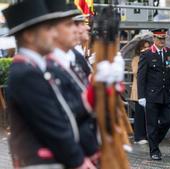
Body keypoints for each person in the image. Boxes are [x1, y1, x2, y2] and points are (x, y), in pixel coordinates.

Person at [4, 0, 96, 168]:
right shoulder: (26, 74)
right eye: (47, 29)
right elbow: (53, 125)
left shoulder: (33, 68)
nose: (53, 35)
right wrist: (78, 160)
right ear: (29, 35)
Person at [137, 28, 170, 160]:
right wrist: (141, 96)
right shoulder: (147, 54)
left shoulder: (169, 53)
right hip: (152, 95)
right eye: (159, 38)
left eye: (163, 38)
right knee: (152, 125)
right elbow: (141, 77)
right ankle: (154, 151)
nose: (162, 41)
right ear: (154, 38)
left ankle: (153, 142)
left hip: (167, 94)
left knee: (168, 120)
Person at [130, 39, 150, 144]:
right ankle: (138, 136)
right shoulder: (136, 59)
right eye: (144, 47)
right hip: (138, 90)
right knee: (139, 114)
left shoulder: (150, 58)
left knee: (147, 114)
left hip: (148, 91)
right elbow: (136, 73)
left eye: (148, 46)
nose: (146, 48)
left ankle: (146, 135)